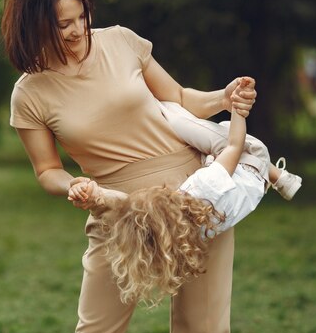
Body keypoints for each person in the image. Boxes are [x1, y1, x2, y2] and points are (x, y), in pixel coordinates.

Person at [2, 0, 257, 333]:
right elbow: (46, 170)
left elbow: (178, 97)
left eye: (82, 16)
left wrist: (224, 97)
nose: (79, 30)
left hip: (197, 196)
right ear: (34, 24)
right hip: (116, 208)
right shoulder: (29, 94)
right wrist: (72, 184)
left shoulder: (121, 41)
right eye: (63, 24)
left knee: (203, 331)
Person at [68, 78, 302, 305]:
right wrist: (238, 110)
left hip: (249, 189)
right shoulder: (199, 192)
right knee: (174, 112)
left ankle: (277, 177)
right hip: (252, 161)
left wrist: (94, 194)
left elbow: (126, 206)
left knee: (199, 146)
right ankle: (278, 175)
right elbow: (234, 145)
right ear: (168, 200)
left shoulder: (179, 235)